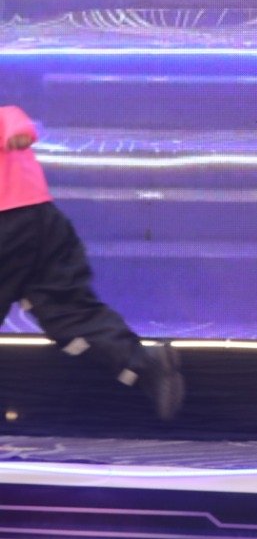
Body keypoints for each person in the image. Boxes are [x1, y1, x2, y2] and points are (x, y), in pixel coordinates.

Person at [1, 105, 184, 419]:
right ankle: (144, 363)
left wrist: (15, 132)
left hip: (10, 221)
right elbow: (13, 120)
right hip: (43, 220)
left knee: (68, 311)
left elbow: (13, 121)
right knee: (68, 311)